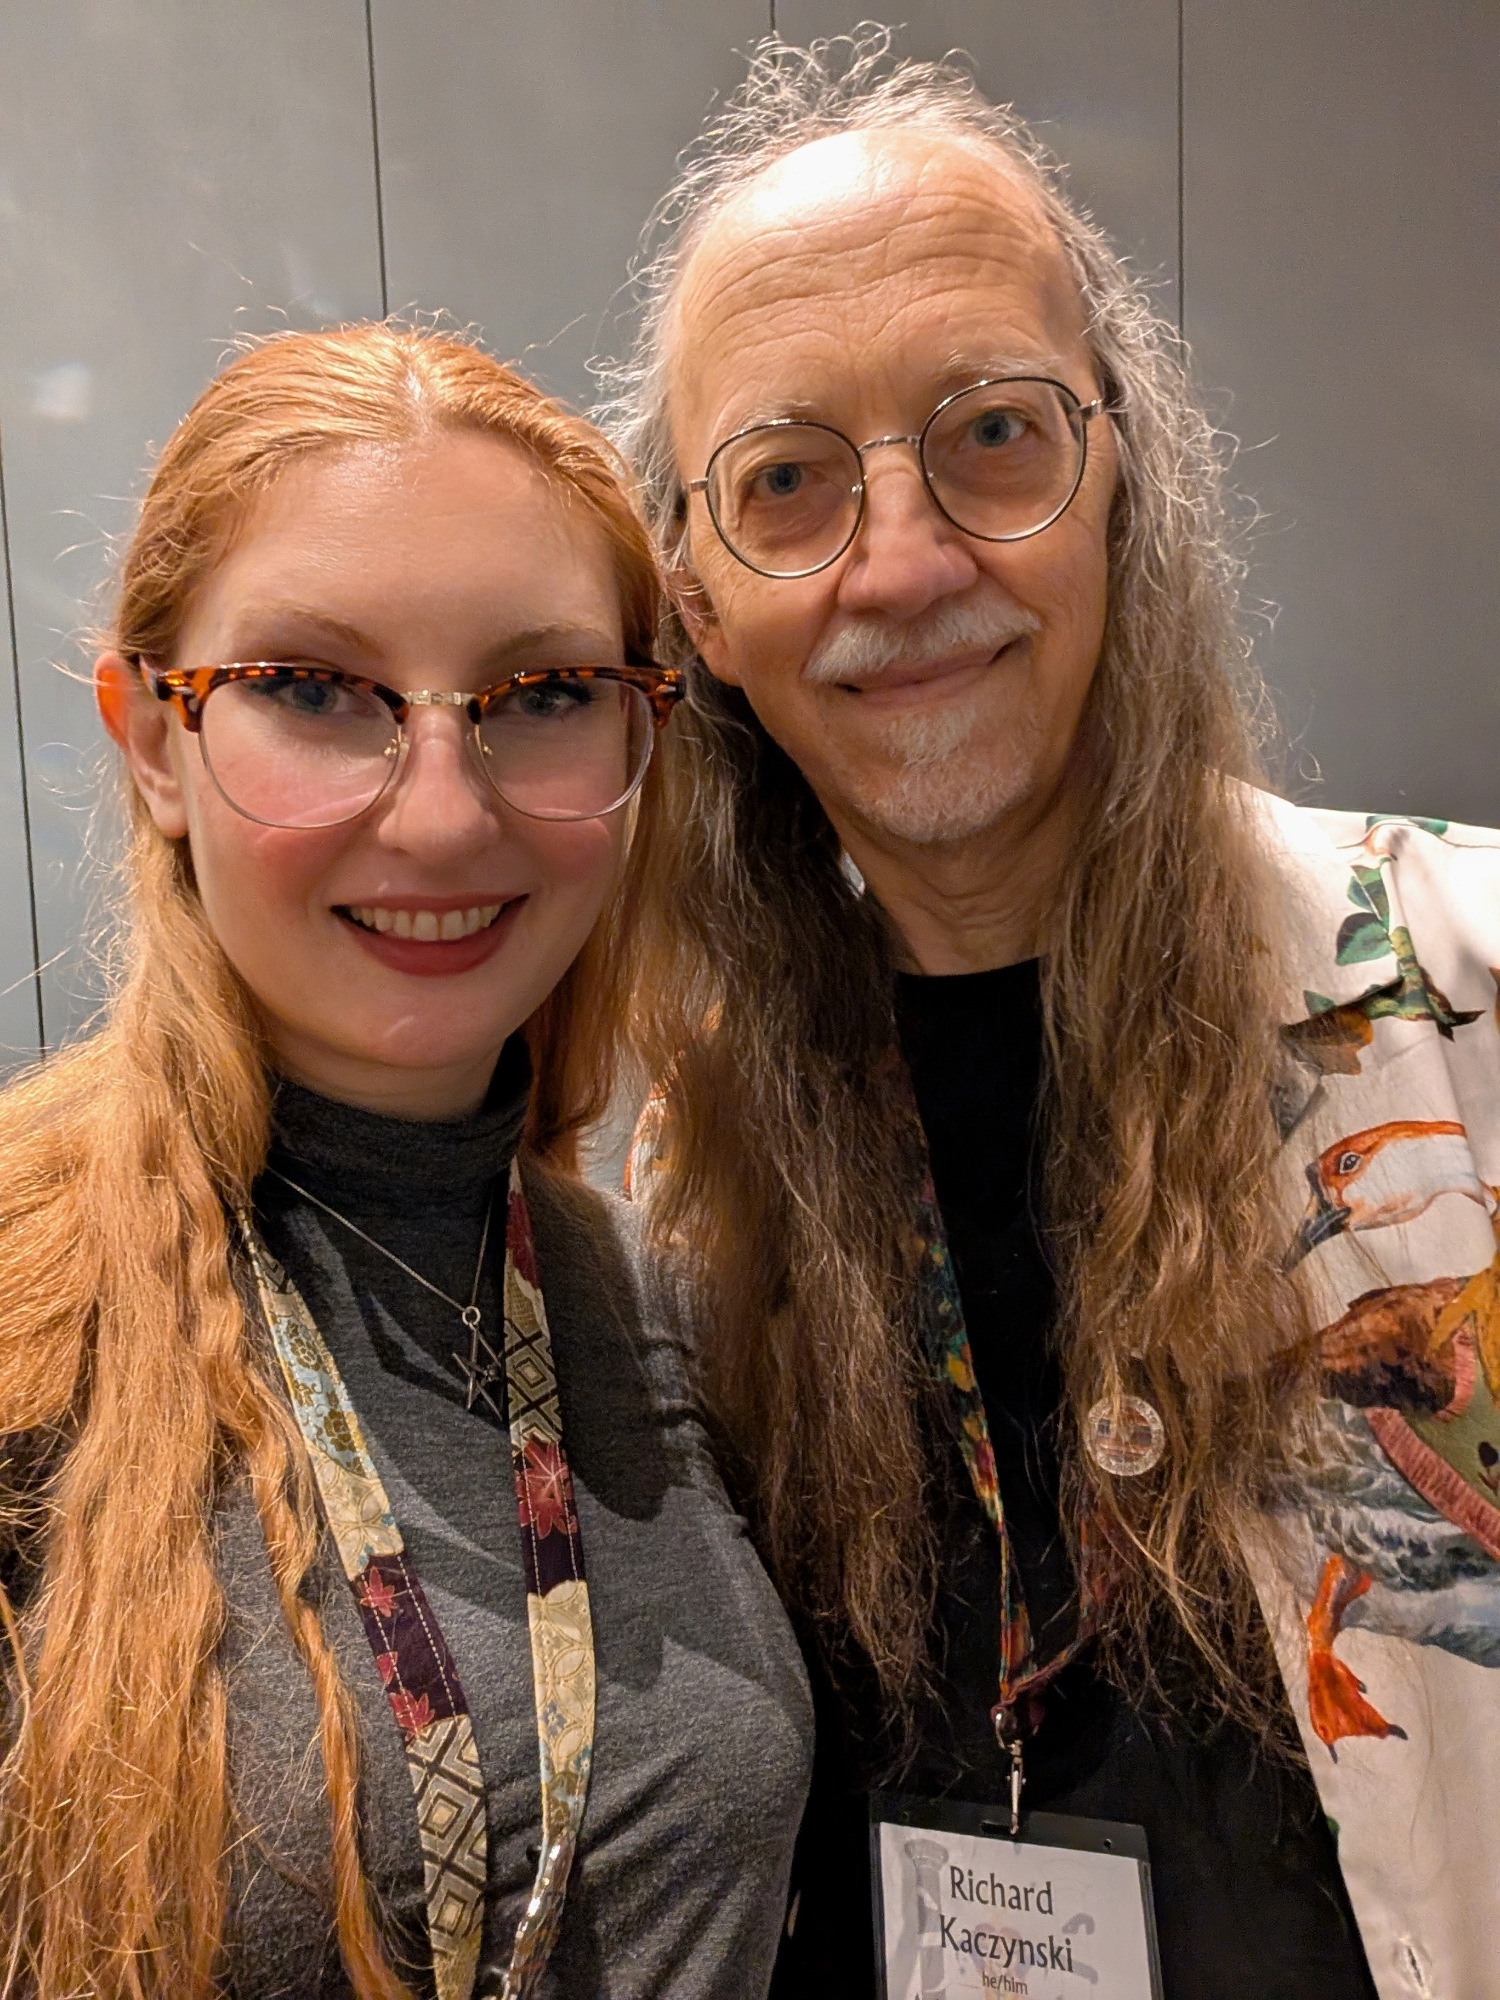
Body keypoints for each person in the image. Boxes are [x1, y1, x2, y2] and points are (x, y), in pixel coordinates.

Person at [605, 32, 1500, 2000]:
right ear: (698, 609)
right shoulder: (705, 1172)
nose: (906, 563)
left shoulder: (1475, 1006)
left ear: (1121, 478)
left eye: (995, 433)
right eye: (786, 483)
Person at [0, 325, 812, 2000]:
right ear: (152, 739)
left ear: (639, 743)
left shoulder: (656, 1305)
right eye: (312, 690)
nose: (442, 815)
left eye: (544, 696)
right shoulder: (26, 1321)